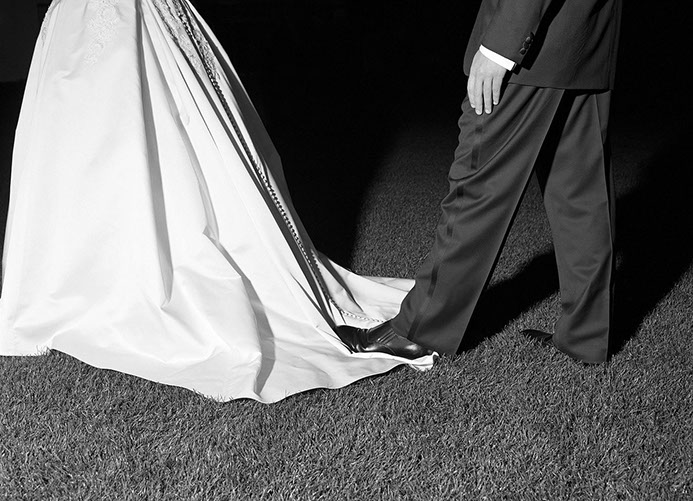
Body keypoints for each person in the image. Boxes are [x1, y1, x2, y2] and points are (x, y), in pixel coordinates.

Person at [0, 0, 433, 404]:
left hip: (124, 19)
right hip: (81, 24)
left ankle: (116, 279)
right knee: (81, 141)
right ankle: (77, 277)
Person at [340, 0, 622, 364]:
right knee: (582, 195)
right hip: (587, 41)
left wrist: (501, 47)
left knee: (477, 188)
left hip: (533, 48)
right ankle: (586, 337)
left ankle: (418, 331)